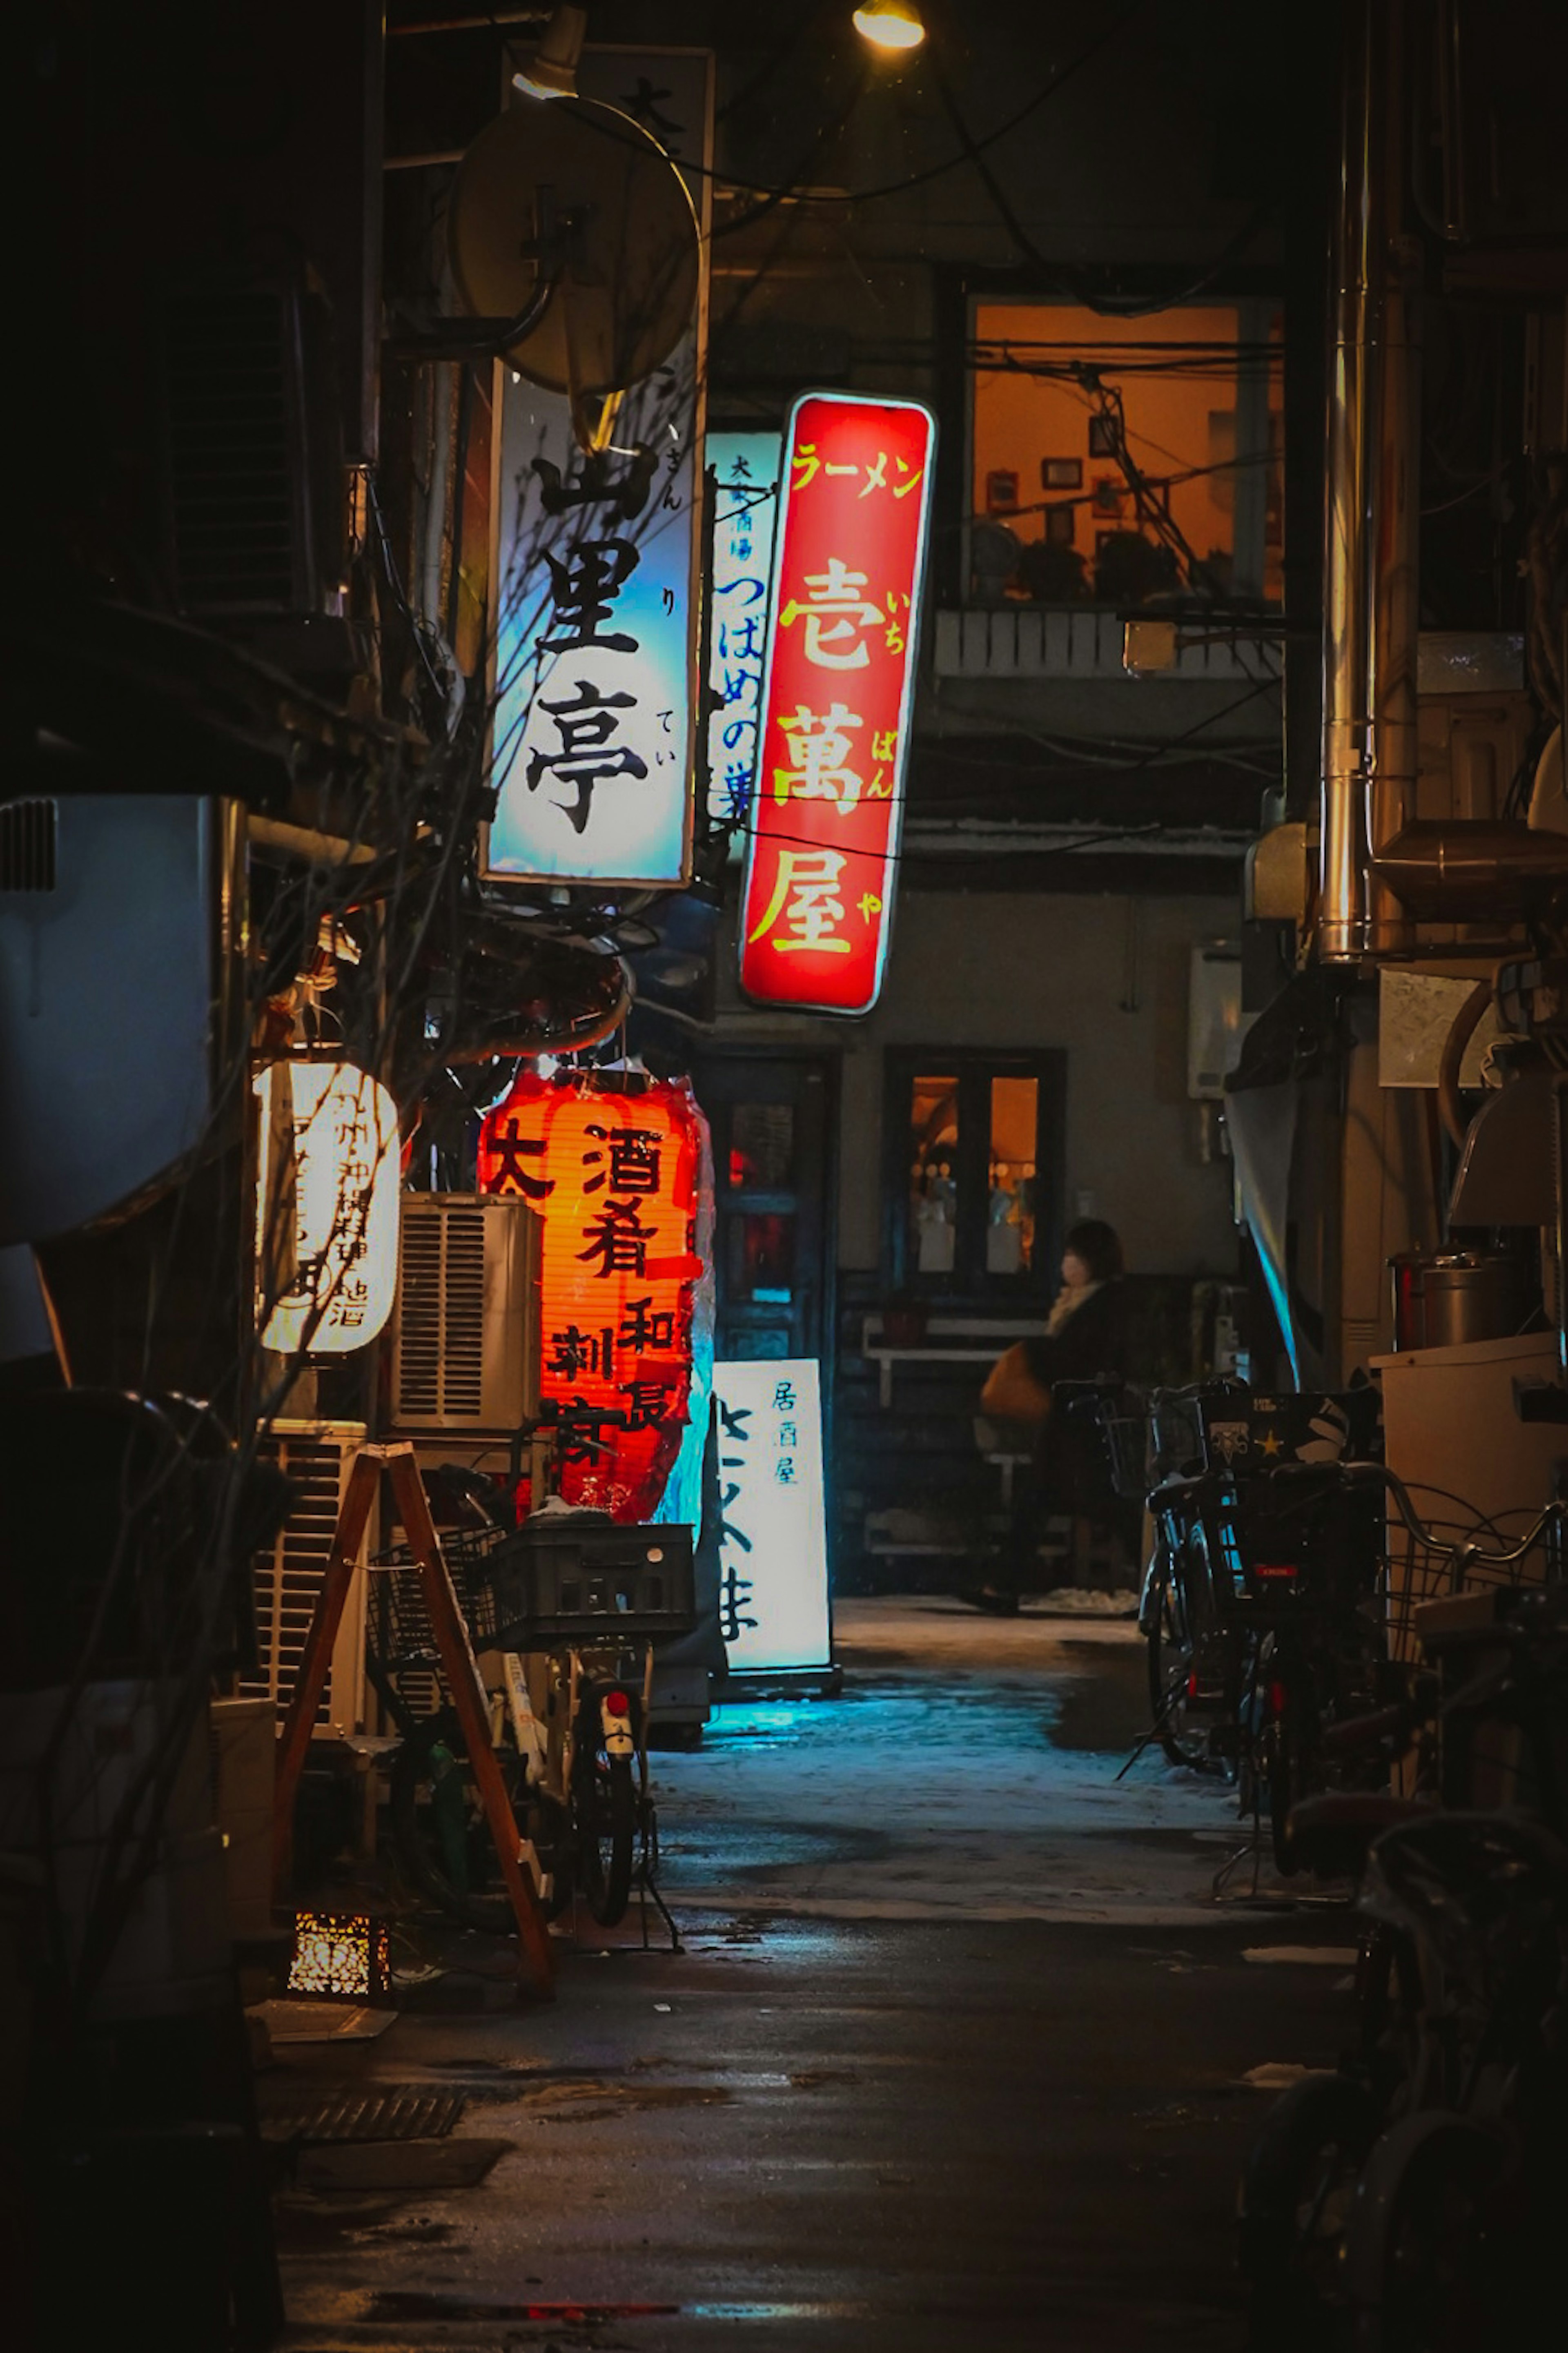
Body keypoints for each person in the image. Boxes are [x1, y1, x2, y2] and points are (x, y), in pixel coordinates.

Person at [967, 1219, 1129, 1613]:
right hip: (1073, 1427)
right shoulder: (1086, 1301)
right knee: (1054, 1501)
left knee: (1085, 1502)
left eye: (1074, 1256)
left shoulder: (1103, 1305)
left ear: (1093, 1260)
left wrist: (1037, 1354)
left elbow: (1078, 1359)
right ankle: (1003, 1586)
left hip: (1084, 1429)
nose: (1067, 1264)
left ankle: (1004, 1587)